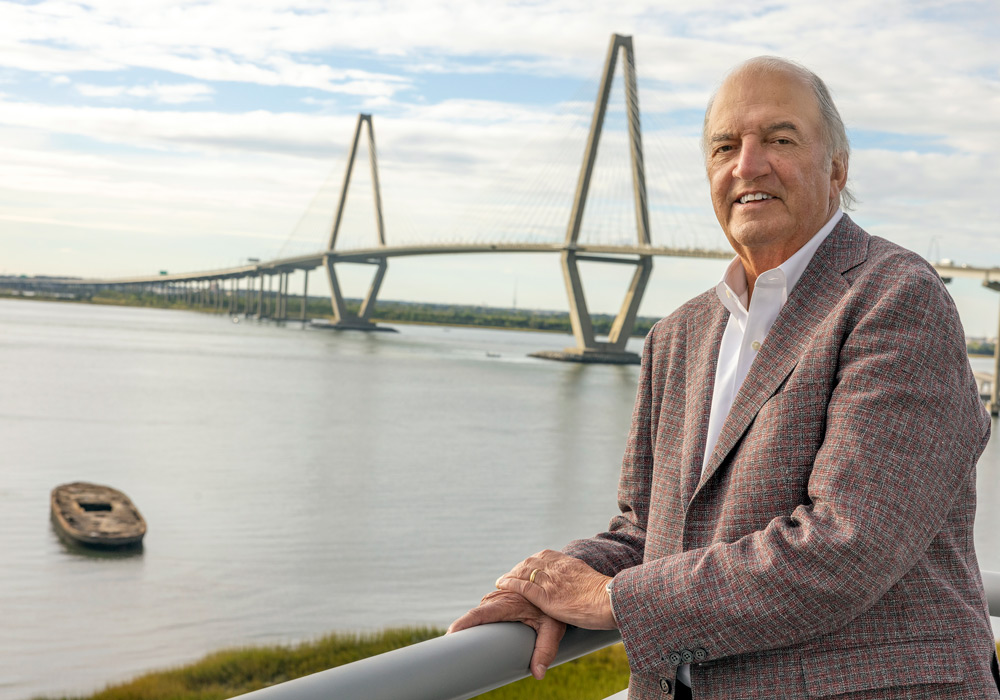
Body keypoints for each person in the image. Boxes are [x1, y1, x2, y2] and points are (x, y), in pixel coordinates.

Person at [450, 56, 1000, 699]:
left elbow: (846, 549)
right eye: (725, 146)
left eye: (780, 139)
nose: (748, 165)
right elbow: (646, 531)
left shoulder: (896, 299)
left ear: (838, 170)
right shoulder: (676, 336)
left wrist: (609, 599)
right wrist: (545, 585)